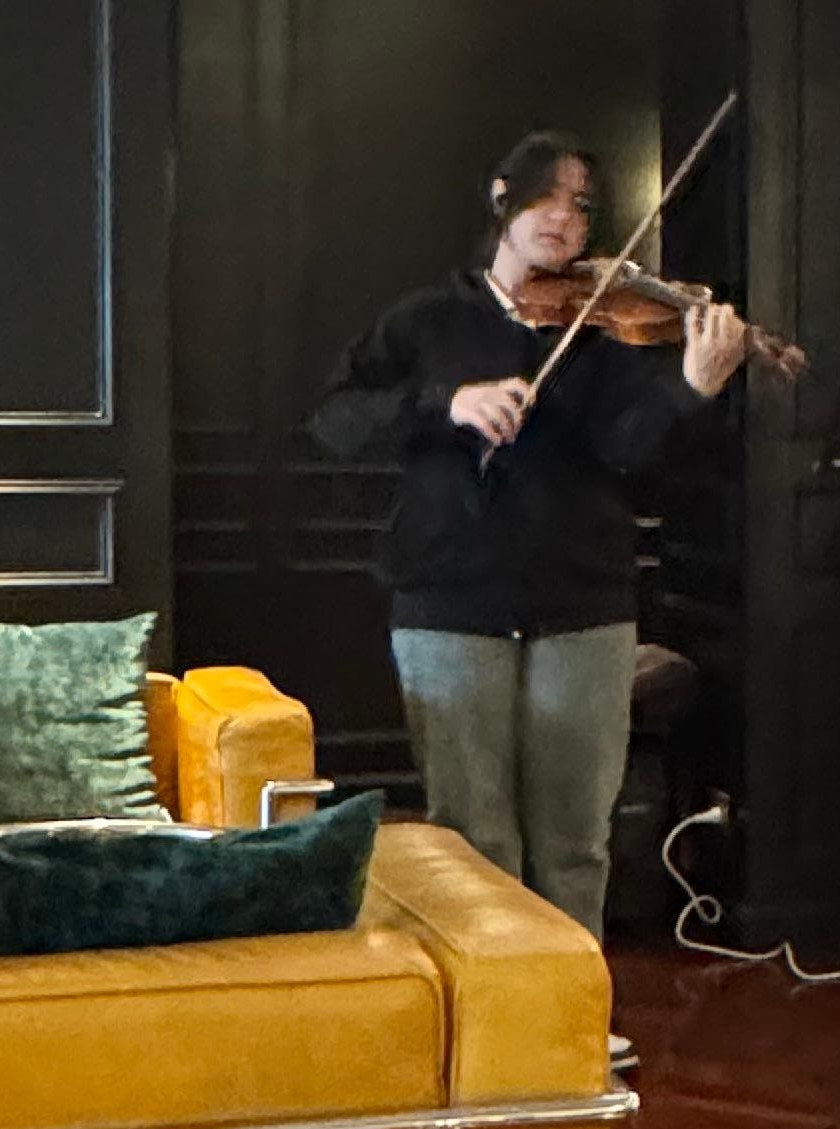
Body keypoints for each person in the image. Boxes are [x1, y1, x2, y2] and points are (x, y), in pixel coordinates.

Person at [313, 133, 745, 986]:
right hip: (449, 598)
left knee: (575, 841)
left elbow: (632, 448)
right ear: (502, 197)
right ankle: (493, 1010)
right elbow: (336, 418)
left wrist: (693, 385)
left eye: (581, 204)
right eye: (546, 196)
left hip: (583, 600)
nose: (563, 217)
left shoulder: (607, 330)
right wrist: (447, 403)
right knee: (473, 837)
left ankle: (568, 1010)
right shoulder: (426, 321)